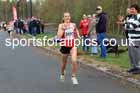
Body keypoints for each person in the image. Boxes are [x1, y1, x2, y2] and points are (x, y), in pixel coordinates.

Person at [57, 12, 81, 85]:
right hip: (64, 46)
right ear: (63, 18)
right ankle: (62, 74)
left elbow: (76, 29)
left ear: (70, 17)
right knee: (64, 63)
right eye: (65, 16)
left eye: (68, 16)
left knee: (74, 60)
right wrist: (63, 29)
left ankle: (73, 76)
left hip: (72, 45)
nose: (67, 17)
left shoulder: (73, 24)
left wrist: (78, 35)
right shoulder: (61, 25)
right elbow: (59, 36)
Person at [119, 5, 140, 74]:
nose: (131, 10)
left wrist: (124, 23)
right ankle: (133, 67)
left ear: (137, 9)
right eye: (130, 9)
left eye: (132, 9)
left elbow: (133, 26)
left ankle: (138, 68)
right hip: (130, 38)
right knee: (131, 54)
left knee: (136, 54)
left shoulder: (139, 17)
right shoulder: (131, 18)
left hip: (136, 39)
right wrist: (124, 23)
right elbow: (126, 27)